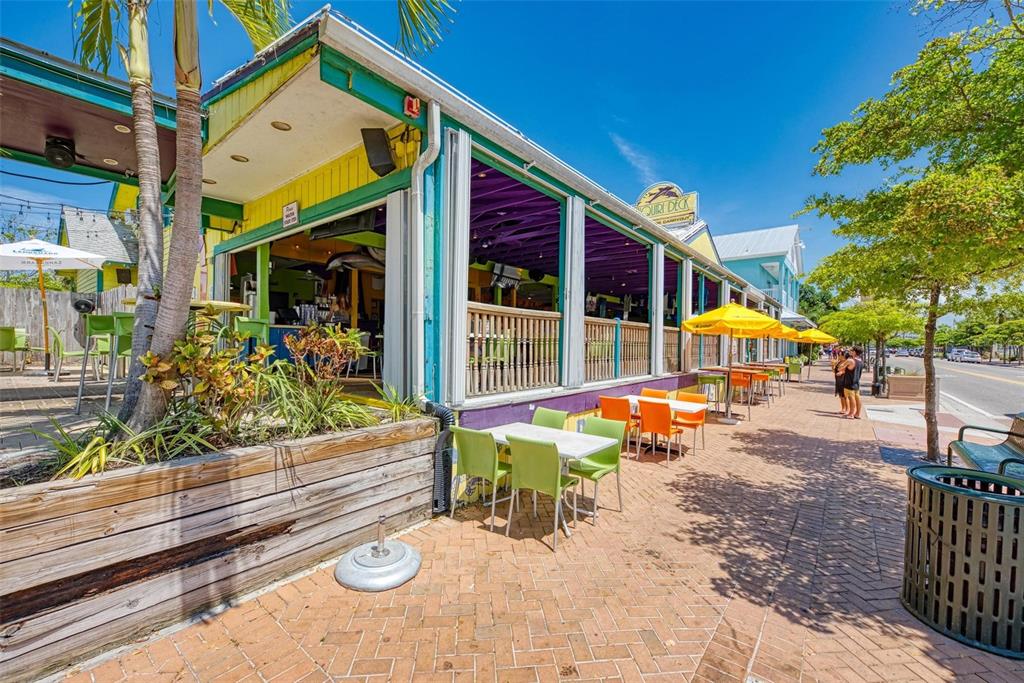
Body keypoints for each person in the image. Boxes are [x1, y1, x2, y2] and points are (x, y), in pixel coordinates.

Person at [842, 346, 864, 419]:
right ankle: (857, 414)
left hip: (849, 382)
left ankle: (851, 414)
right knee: (857, 398)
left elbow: (841, 367)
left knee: (851, 398)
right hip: (856, 382)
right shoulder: (861, 361)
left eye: (851, 350)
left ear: (854, 352)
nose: (850, 351)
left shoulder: (851, 360)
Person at [833, 348, 848, 415]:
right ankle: (843, 408)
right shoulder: (839, 362)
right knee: (841, 396)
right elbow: (835, 371)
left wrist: (842, 372)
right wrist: (833, 365)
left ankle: (846, 409)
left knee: (844, 396)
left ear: (844, 356)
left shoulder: (845, 363)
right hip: (838, 380)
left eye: (840, 355)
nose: (838, 356)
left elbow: (845, 371)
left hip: (843, 380)